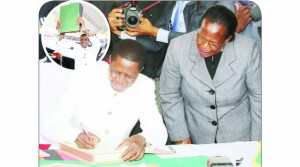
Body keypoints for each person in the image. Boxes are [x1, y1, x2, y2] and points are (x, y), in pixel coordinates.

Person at [41, 39, 168, 161]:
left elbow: (159, 132)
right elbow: (50, 125)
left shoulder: (145, 86)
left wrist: (142, 139)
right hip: (76, 156)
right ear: (110, 60)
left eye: (129, 76)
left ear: (140, 71)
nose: (120, 80)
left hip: (116, 159)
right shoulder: (83, 75)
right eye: (116, 72)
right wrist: (75, 136)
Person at [160, 5, 261, 144]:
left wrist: (257, 142)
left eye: (213, 44)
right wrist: (180, 135)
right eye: (201, 38)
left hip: (238, 137)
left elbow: (259, 97)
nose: (204, 47)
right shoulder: (178, 47)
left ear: (227, 40)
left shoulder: (248, 50)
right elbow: (169, 94)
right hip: (195, 135)